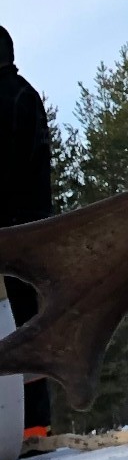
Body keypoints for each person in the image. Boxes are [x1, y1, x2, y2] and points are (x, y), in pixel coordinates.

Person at [0, 27, 52, 435]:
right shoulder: (25, 95)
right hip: (32, 227)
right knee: (26, 322)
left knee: (22, 322)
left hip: (15, 230)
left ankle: (31, 425)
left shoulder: (11, 97)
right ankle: (32, 425)